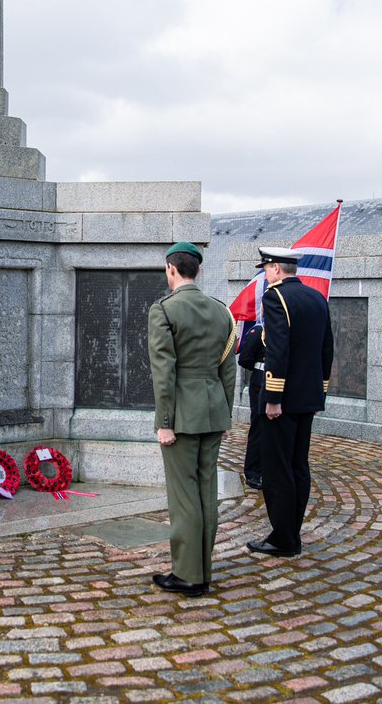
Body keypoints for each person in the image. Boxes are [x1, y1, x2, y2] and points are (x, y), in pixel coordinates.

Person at [147, 241, 237, 597]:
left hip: (181, 416)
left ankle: (188, 575)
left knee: (184, 496)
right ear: (196, 270)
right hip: (213, 411)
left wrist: (164, 422)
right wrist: (225, 414)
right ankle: (203, 568)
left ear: (171, 270)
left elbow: (163, 373)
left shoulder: (164, 310)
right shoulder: (220, 311)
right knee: (205, 492)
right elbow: (228, 370)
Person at [246, 247, 333, 559]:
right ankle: (291, 532)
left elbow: (278, 350)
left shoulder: (275, 297)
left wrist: (272, 398)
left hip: (282, 402)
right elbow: (327, 349)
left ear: (276, 269)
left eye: (266, 269)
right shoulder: (317, 298)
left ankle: (283, 538)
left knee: (276, 468)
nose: (265, 274)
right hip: (307, 398)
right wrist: (318, 391)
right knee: (298, 466)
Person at [237, 322, 266, 489]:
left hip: (280, 381)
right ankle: (253, 472)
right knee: (259, 427)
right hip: (260, 380)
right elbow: (245, 358)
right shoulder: (259, 331)